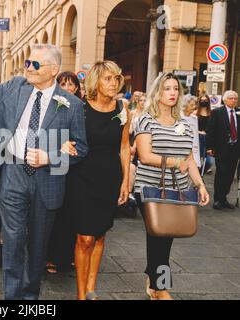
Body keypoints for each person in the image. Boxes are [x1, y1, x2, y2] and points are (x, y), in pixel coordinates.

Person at [0, 26, 88, 300]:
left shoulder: (70, 104)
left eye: (35, 64)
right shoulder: (14, 87)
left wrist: (50, 156)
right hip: (11, 175)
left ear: (53, 69)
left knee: (37, 246)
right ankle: (12, 297)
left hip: (47, 181)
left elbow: (81, 148)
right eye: (27, 62)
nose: (28, 67)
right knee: (12, 242)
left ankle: (30, 298)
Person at [134, 72, 209, 300]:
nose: (172, 93)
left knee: (165, 238)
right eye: (167, 88)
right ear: (158, 92)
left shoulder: (185, 125)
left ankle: (154, 279)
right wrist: (175, 162)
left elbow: (189, 160)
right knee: (158, 236)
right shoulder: (145, 120)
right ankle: (161, 287)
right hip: (149, 187)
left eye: (175, 89)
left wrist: (200, 185)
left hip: (178, 189)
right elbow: (145, 156)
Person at [62, 61, 131, 300]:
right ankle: (81, 294)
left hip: (110, 178)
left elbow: (124, 146)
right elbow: (63, 136)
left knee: (100, 234)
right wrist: (63, 144)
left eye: (116, 78)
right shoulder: (79, 108)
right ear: (96, 81)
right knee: (85, 237)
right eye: (108, 78)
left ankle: (91, 289)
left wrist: (126, 181)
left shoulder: (122, 109)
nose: (113, 83)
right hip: (81, 177)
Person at [45, 71, 83, 275]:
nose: (68, 88)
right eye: (64, 84)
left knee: (70, 215)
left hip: (77, 168)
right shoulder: (51, 106)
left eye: (72, 84)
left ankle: (67, 256)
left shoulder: (81, 107)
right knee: (55, 214)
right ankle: (51, 256)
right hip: (57, 165)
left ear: (77, 87)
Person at [207, 90, 240, 210]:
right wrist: (209, 147)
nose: (233, 100)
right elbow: (211, 130)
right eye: (231, 98)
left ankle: (224, 198)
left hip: (235, 148)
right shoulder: (217, 112)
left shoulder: (238, 112)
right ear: (225, 100)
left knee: (230, 175)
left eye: (235, 98)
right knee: (221, 173)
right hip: (222, 148)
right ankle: (217, 199)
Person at [182, 95, 201, 168]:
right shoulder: (177, 118)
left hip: (192, 152)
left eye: (195, 104)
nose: (194, 107)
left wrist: (197, 160)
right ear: (185, 105)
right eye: (192, 105)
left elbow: (196, 139)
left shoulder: (194, 119)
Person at [197, 95, 213, 173]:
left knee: (209, 162)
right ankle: (198, 178)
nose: (203, 102)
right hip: (198, 139)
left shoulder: (212, 113)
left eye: (205, 100)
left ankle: (199, 174)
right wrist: (199, 132)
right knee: (197, 161)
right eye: (202, 100)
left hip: (208, 139)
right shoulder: (195, 112)